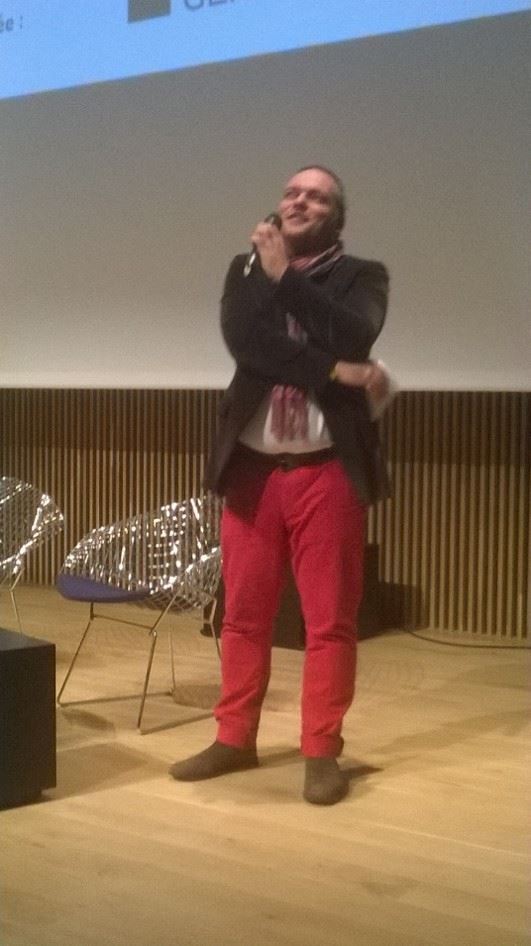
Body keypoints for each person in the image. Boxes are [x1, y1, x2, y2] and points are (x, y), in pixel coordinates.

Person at [170, 165, 392, 804]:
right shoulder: (244, 270)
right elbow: (251, 346)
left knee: (330, 622)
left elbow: (354, 332)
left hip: (327, 470)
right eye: (292, 192)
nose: (299, 201)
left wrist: (285, 278)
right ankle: (233, 738)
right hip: (253, 471)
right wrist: (336, 371)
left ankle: (321, 751)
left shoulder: (363, 276)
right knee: (242, 617)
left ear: (335, 215)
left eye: (315, 196)